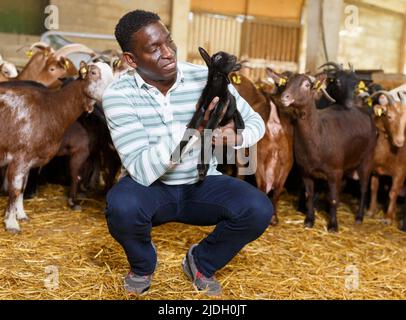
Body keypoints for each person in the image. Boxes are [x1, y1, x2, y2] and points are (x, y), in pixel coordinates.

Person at [102, 9, 274, 297]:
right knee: (121, 207)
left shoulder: (206, 78)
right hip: (151, 187)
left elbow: (256, 122)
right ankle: (143, 266)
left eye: (169, 42)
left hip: (201, 182)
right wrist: (193, 128)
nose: (168, 53)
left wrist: (235, 136)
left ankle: (201, 262)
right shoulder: (118, 94)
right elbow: (141, 168)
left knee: (258, 209)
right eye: (154, 49)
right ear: (131, 60)